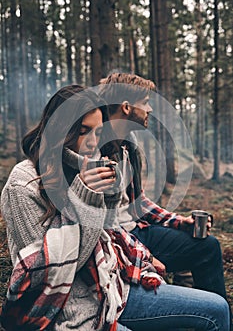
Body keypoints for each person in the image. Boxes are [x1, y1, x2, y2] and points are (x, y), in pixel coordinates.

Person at [0, 84, 230, 331]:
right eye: (83, 131)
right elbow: (47, 274)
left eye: (98, 133)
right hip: (72, 304)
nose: (92, 142)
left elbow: (121, 216)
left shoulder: (108, 157)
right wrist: (86, 197)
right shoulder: (23, 183)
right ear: (59, 130)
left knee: (217, 307)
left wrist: (109, 198)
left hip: (112, 283)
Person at [98, 73, 232, 323]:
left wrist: (178, 221)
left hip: (137, 230)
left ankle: (210, 318)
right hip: (117, 243)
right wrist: (145, 257)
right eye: (145, 102)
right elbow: (102, 229)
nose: (149, 109)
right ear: (127, 107)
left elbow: (137, 202)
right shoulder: (97, 150)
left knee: (208, 246)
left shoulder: (129, 143)